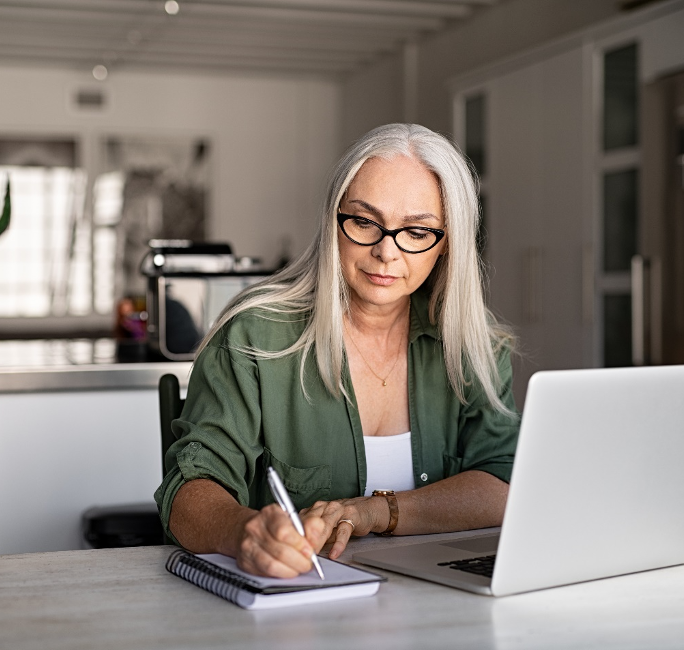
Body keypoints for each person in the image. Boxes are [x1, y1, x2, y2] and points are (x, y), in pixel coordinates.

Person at [155, 123, 520, 578]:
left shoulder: (474, 344)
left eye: (417, 231)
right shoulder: (253, 335)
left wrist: (374, 512)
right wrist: (242, 531)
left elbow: (504, 483)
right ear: (334, 221)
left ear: (446, 244)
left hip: (443, 599)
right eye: (365, 222)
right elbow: (189, 490)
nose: (387, 252)